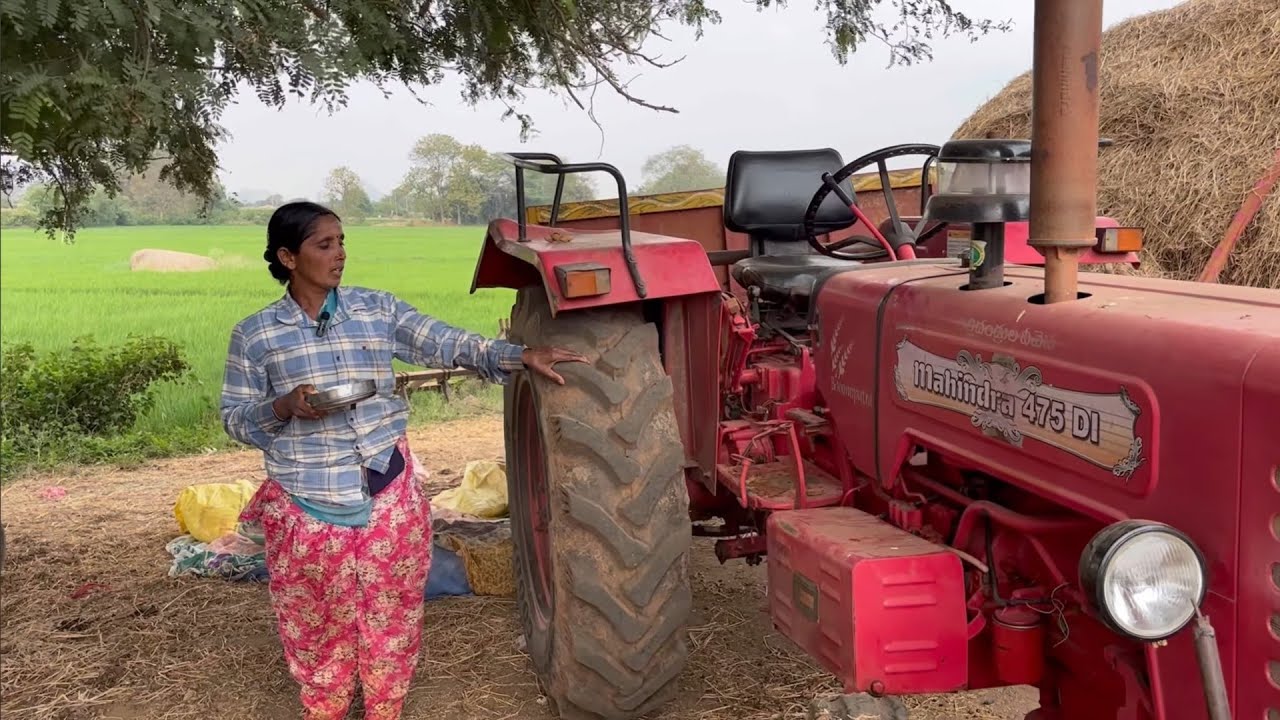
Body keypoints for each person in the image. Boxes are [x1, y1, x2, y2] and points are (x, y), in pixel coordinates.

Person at [220, 201, 584, 720]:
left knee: (391, 618)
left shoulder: (376, 310)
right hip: (306, 503)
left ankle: (384, 710)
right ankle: (325, 708)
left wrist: (519, 355)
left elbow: (445, 342)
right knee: (316, 624)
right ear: (288, 257)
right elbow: (234, 418)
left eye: (342, 242)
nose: (340, 254)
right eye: (324, 245)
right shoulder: (255, 335)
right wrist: (282, 406)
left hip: (386, 494)